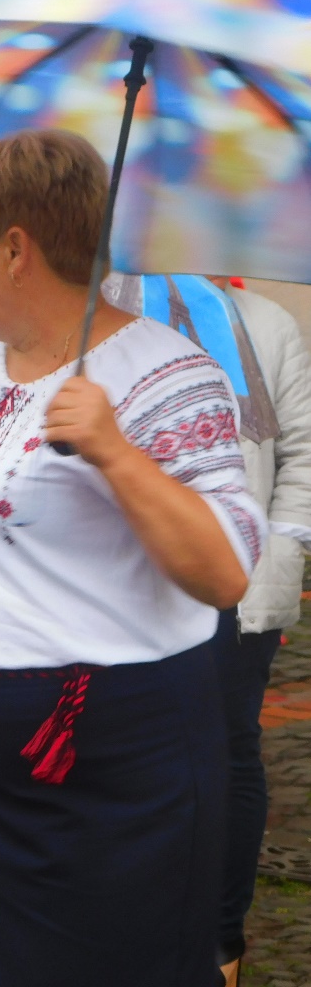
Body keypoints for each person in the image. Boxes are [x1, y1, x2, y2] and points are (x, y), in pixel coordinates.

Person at [0, 129, 265, 987]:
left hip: (114, 767)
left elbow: (226, 570)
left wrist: (117, 453)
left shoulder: (164, 373)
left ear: (15, 249)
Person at [208, 279, 311, 987]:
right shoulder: (111, 311)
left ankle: (219, 936)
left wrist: (278, 553)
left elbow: (302, 454)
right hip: (130, 585)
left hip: (239, 584)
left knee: (229, 750)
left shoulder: (265, 323)